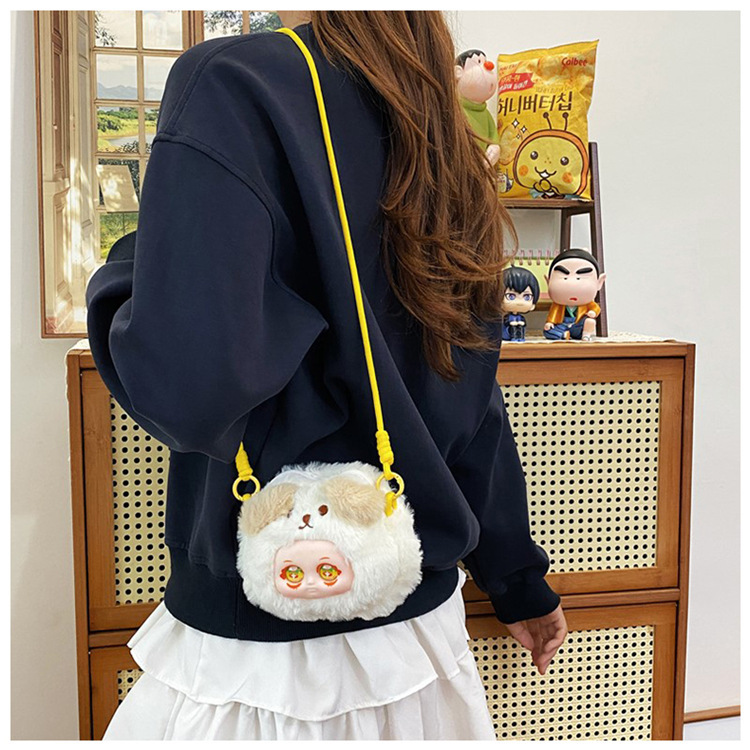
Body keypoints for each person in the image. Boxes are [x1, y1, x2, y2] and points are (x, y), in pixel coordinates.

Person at [85, 11, 568, 741]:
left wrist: (127, 270)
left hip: (260, 657)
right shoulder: (432, 110)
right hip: (419, 642)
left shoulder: (233, 82)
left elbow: (191, 386)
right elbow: (467, 380)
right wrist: (516, 576)